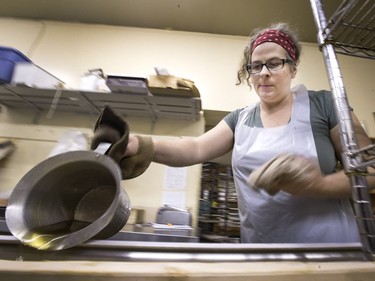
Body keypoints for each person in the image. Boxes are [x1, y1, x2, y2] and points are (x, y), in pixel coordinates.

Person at [95, 22, 375, 243]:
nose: (263, 73)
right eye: (255, 66)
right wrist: (136, 144)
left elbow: (371, 169)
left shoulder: (324, 105)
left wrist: (319, 185)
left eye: (274, 63)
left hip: (330, 250)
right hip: (263, 250)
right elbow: (194, 148)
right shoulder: (240, 119)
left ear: (293, 67)